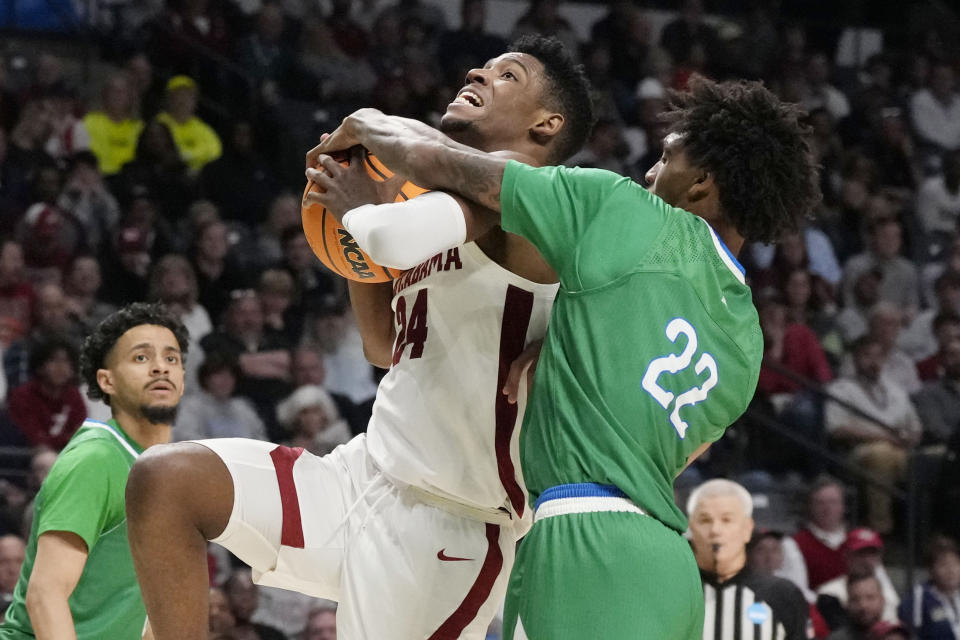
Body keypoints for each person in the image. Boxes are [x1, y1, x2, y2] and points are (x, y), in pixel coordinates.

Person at [307, 71, 819, 637]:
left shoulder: (627, 212)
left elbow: (451, 165)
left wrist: (365, 126)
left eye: (667, 158)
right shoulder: (748, 338)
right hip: (669, 564)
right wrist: (565, 342)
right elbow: (664, 440)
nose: (649, 172)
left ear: (700, 184)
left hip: (581, 539)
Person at [126, 35, 593, 639]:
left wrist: (363, 184)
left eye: (509, 75)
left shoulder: (533, 198)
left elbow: (408, 197)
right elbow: (382, 345)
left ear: (546, 124)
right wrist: (359, 236)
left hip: (452, 526)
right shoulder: (434, 206)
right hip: (359, 476)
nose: (478, 71)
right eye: (486, 65)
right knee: (166, 480)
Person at [0, 302, 188, 639]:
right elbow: (46, 596)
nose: (161, 368)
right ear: (107, 380)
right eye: (142, 358)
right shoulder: (96, 459)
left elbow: (137, 609)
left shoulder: (164, 470)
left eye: (171, 358)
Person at [689, 479, 810, 640]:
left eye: (727, 520)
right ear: (690, 529)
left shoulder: (782, 594)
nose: (715, 530)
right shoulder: (672, 593)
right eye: (705, 520)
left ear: (747, 529)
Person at [898, 536, 960, 640]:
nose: (951, 571)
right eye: (943, 565)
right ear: (931, 571)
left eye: (955, 564)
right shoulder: (920, 596)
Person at [825, 572, 888, 640]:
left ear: (882, 600)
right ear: (847, 604)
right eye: (855, 599)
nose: (863, 605)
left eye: (870, 597)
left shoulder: (896, 636)